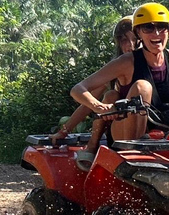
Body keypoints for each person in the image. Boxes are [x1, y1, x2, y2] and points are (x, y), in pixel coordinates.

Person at [70, 2, 169, 167]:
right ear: (139, 32)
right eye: (148, 28)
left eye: (162, 27)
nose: (157, 33)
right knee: (142, 87)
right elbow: (78, 89)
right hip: (128, 128)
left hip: (166, 123)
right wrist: (101, 107)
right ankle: (132, 157)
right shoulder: (126, 61)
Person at [50, 16, 138, 169]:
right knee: (111, 95)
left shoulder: (158, 61)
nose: (130, 46)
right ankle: (92, 145)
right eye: (124, 40)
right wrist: (64, 131)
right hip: (120, 123)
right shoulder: (116, 67)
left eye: (135, 39)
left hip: (149, 124)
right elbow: (87, 103)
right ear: (118, 43)